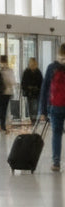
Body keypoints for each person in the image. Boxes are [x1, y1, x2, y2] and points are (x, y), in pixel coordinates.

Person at [38, 43, 65, 172]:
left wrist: (42, 111)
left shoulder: (52, 67)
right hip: (57, 106)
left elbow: (44, 90)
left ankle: (56, 163)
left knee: (57, 134)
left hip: (55, 107)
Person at [0, 53, 16, 133]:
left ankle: (2, 125)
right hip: (6, 93)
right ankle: (3, 126)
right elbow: (12, 82)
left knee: (1, 109)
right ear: (7, 61)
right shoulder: (9, 70)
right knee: (3, 109)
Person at [21, 56, 43, 124]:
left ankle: (34, 119)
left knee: (34, 106)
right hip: (30, 92)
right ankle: (33, 119)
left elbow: (41, 82)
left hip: (36, 92)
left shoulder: (37, 72)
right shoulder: (27, 72)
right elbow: (23, 83)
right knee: (31, 106)